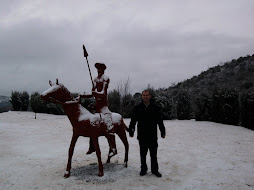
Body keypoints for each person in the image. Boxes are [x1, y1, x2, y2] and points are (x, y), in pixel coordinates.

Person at [79, 63, 117, 156]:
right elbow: (92, 93)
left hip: (104, 107)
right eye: (97, 69)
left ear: (103, 70)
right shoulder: (95, 79)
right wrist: (82, 96)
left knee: (109, 125)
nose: (98, 70)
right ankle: (92, 147)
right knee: (92, 125)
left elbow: (103, 93)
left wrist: (95, 93)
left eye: (100, 69)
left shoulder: (106, 78)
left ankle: (113, 148)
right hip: (96, 107)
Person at [129, 90, 166, 177]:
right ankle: (143, 169)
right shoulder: (137, 107)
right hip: (142, 135)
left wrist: (162, 131)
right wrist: (131, 130)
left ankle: (155, 170)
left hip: (152, 135)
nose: (145, 97)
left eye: (147, 95)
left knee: (153, 155)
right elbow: (133, 120)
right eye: (143, 95)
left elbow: (160, 120)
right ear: (142, 96)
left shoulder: (155, 107)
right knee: (143, 154)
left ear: (150, 96)